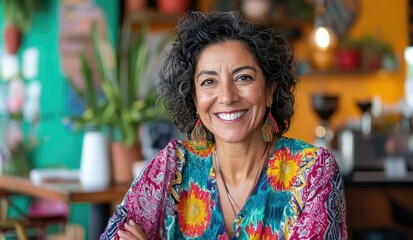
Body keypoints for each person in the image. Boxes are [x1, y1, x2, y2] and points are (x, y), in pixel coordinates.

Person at [100, 11, 347, 240]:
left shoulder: (313, 171)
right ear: (195, 99)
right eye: (209, 81)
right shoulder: (172, 167)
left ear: (269, 91)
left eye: (243, 77)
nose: (227, 97)